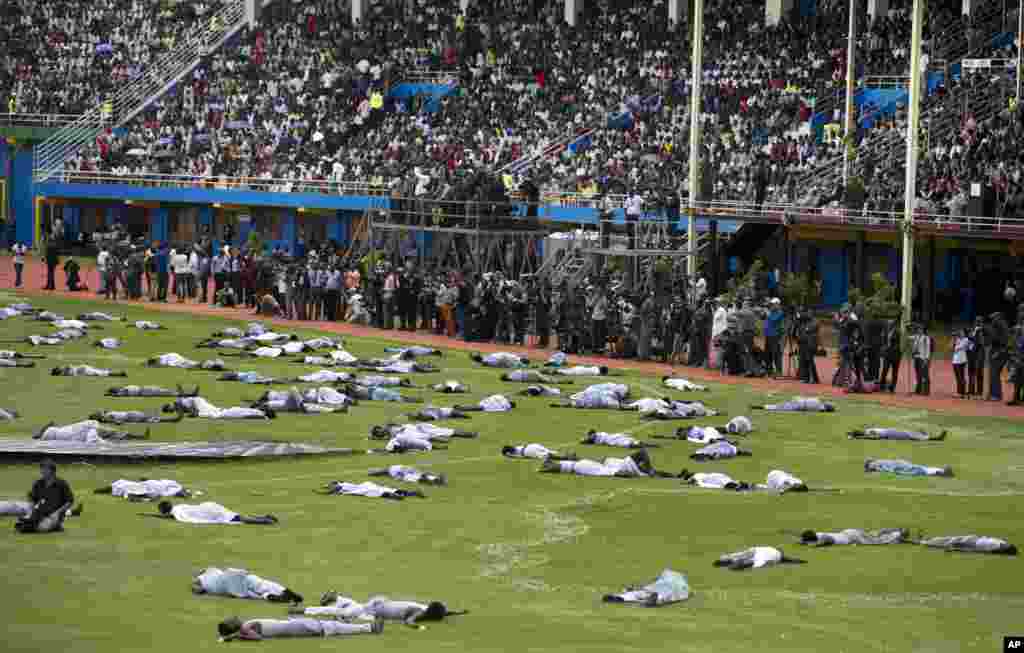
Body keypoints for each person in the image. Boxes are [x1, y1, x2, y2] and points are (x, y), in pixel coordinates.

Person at [15, 460, 77, 533]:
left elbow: (70, 501)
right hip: (39, 513)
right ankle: (32, 524)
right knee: (20, 525)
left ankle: (55, 525)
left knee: (42, 528)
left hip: (54, 514)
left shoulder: (62, 484)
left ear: (52, 471)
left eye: (45, 469)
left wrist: (57, 513)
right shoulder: (38, 483)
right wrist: (32, 509)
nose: (42, 471)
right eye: (41, 469)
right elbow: (32, 498)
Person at [216, 616, 382, 642]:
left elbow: (256, 637)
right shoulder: (248, 625)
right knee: (332, 627)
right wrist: (236, 636)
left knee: (332, 627)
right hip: (294, 626)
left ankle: (368, 627)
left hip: (294, 626)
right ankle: (368, 627)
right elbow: (257, 638)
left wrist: (233, 637)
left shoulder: (247, 627)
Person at [193, 568, 303, 603]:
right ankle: (286, 591)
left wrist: (199, 590)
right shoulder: (213, 570)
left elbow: (197, 588)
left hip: (229, 585)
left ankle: (269, 596)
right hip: (237, 574)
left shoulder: (203, 578)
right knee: (262, 583)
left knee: (253, 593)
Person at [155, 500, 278, 524]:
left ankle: (265, 520)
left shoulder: (176, 512)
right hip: (209, 506)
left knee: (238, 518)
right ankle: (263, 517)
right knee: (236, 516)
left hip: (210, 512)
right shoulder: (179, 506)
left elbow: (169, 516)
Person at [34, 420, 149, 442]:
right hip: (79, 432)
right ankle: (138, 437)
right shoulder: (50, 433)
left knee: (112, 433)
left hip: (78, 432)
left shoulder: (51, 432)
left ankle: (138, 437)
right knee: (111, 434)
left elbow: (51, 423)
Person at [712, 547, 806, 570]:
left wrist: (738, 566)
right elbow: (747, 558)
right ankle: (729, 561)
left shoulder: (759, 556)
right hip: (774, 555)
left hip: (773, 556)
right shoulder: (759, 552)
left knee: (743, 556)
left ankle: (728, 561)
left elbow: (751, 563)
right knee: (743, 556)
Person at [318, 480, 425, 500]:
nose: (330, 486)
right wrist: (326, 488)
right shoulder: (342, 484)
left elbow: (333, 489)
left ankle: (398, 497)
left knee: (380, 493)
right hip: (366, 486)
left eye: (331, 485)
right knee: (388, 490)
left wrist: (324, 493)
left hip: (363, 489)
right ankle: (414, 493)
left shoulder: (340, 485)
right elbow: (332, 488)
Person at [987, 311, 1009, 402]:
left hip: (999, 352)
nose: (992, 320)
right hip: (996, 351)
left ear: (998, 318)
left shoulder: (1002, 326)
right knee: (993, 373)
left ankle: (996, 395)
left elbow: (1004, 342)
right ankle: (993, 393)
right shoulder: (998, 327)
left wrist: (998, 352)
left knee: (994, 373)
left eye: (993, 318)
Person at [94, 479, 189, 500]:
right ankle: (102, 490)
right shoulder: (175, 486)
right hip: (148, 485)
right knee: (122, 484)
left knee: (122, 485)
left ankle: (102, 490)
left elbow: (132, 497)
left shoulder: (171, 490)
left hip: (147, 487)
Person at [800, 528, 909, 547]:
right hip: (849, 533)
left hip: (852, 537)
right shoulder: (818, 534)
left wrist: (815, 546)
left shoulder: (823, 537)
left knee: (877, 541)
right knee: (873, 535)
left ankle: (899, 534)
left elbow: (828, 541)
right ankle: (897, 530)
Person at [917, 535, 1017, 555]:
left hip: (972, 543)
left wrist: (959, 550)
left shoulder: (995, 549)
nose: (1006, 545)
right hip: (974, 538)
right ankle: (928, 541)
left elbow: (977, 551)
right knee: (949, 539)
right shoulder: (1002, 543)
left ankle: (926, 542)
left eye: (1007, 547)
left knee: (949, 542)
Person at [763, 298, 784, 376]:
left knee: (776, 354)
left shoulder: (780, 312)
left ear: (777, 305)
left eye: (773, 304)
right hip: (768, 335)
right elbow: (762, 317)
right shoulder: (770, 312)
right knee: (767, 354)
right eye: (771, 304)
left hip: (775, 335)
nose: (771, 306)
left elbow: (774, 320)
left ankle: (779, 371)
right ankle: (769, 370)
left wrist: (768, 313)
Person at [864, 458, 953, 477]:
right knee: (920, 470)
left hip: (901, 467)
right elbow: (891, 467)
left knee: (921, 469)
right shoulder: (879, 465)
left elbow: (891, 465)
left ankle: (942, 472)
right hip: (901, 468)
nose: (873, 462)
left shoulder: (879, 465)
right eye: (871, 463)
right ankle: (942, 472)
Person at [367, 465, 446, 486]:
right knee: (421, 476)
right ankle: (435, 479)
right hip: (408, 472)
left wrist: (399, 477)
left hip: (406, 473)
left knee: (419, 477)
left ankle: (435, 480)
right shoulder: (391, 469)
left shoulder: (391, 469)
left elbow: (400, 474)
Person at [910, 323, 932, 396]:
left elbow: (928, 349)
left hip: (923, 358)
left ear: (923, 330)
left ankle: (926, 390)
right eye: (918, 329)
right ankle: (918, 389)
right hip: (916, 357)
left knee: (924, 374)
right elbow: (908, 337)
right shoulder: (916, 337)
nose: (919, 330)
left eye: (920, 329)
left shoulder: (926, 338)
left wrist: (926, 359)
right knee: (918, 374)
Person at [967, 316, 986, 398]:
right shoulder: (973, 329)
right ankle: (971, 390)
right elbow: (971, 339)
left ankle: (979, 391)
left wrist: (973, 338)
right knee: (971, 372)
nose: (977, 322)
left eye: (979, 321)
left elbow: (981, 343)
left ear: (981, 322)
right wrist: (969, 336)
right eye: (976, 321)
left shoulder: (982, 330)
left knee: (978, 372)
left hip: (979, 354)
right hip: (971, 353)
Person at [88, 409, 184, 425]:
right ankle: (173, 420)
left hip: (131, 416)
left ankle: (173, 420)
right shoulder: (108, 416)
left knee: (152, 419)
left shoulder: (107, 415)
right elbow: (114, 420)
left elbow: (114, 420)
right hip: (131, 415)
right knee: (152, 419)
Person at [581, 430, 659, 449]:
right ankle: (651, 445)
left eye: (590, 435)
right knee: (633, 442)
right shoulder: (597, 436)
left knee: (631, 444)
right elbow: (586, 441)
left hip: (615, 440)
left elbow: (587, 441)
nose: (590, 437)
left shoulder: (598, 437)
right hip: (616, 437)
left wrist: (585, 440)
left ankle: (650, 445)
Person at [680, 470, 750, 490]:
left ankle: (740, 486)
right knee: (727, 482)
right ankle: (745, 485)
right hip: (718, 477)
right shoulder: (698, 474)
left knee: (725, 484)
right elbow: (694, 481)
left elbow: (694, 481)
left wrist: (685, 483)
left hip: (715, 478)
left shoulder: (697, 475)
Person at [848, 427, 946, 441]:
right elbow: (872, 438)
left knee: (912, 434)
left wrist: (852, 435)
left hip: (893, 432)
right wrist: (855, 437)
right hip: (892, 434)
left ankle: (926, 435)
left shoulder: (868, 430)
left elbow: (869, 437)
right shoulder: (870, 432)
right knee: (912, 436)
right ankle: (936, 438)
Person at [751, 397, 835, 412]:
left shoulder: (820, 406)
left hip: (798, 404)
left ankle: (759, 407)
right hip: (799, 403)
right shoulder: (819, 404)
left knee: (778, 407)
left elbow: (823, 408)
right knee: (778, 407)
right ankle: (760, 407)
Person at [502, 444, 576, 461]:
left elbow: (520, 457)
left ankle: (568, 457)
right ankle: (569, 455)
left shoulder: (513, 453)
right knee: (549, 452)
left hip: (528, 451)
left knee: (548, 456)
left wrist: (510, 456)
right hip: (532, 445)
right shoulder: (517, 447)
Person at [952, 328, 970, 398]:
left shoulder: (966, 340)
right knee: (957, 377)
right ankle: (959, 392)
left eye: (962, 332)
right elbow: (950, 347)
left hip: (962, 360)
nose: (960, 333)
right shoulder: (957, 339)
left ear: (965, 333)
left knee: (961, 377)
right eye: (960, 332)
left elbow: (959, 347)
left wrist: (955, 345)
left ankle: (962, 392)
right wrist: (953, 339)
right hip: (955, 360)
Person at [51, 364, 127, 377]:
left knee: (102, 373)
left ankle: (120, 374)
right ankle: (119, 373)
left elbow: (69, 367)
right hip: (83, 369)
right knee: (101, 372)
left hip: (83, 370)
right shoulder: (65, 372)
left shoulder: (65, 371)